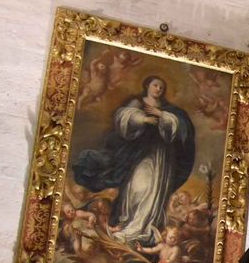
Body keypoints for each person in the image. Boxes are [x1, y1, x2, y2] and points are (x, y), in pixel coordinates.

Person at [70, 75, 197, 247]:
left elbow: (183, 128)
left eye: (161, 87)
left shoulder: (169, 109)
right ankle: (128, 224)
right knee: (138, 187)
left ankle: (142, 229)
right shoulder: (138, 103)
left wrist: (161, 115)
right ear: (147, 86)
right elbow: (123, 117)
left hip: (160, 157)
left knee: (153, 191)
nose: (158, 89)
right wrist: (144, 119)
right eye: (155, 85)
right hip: (138, 154)